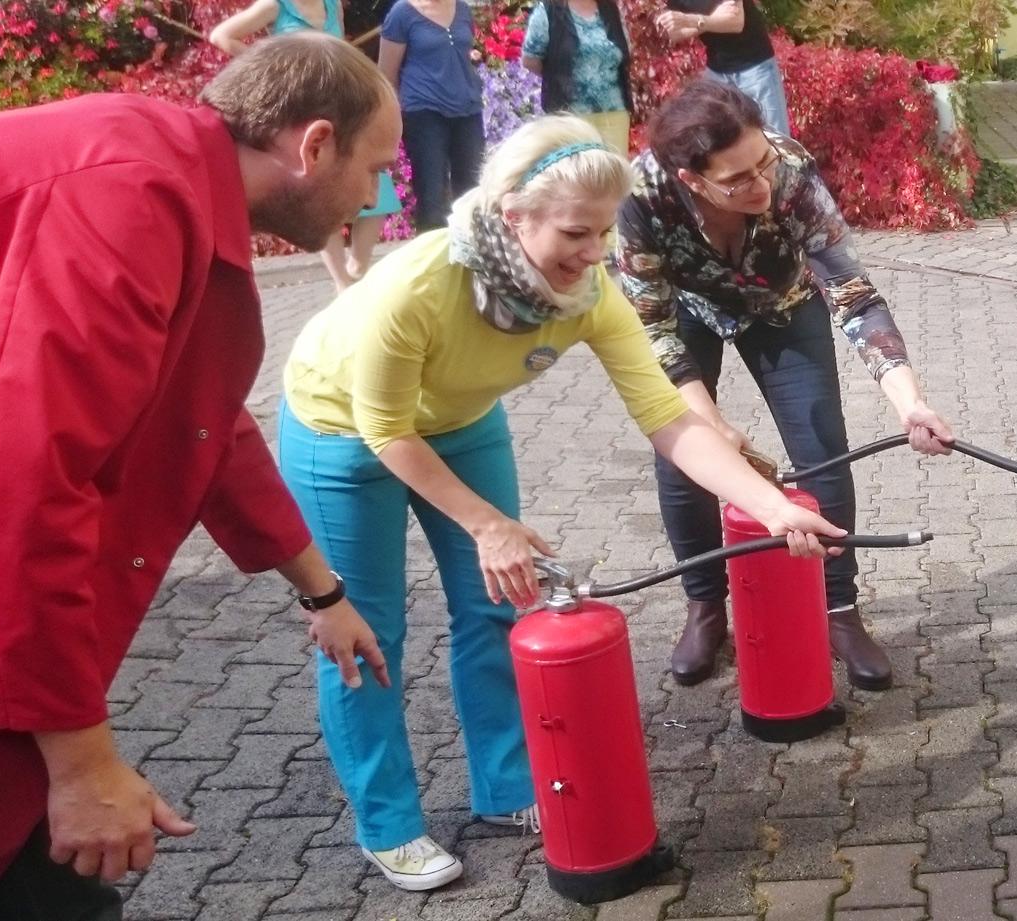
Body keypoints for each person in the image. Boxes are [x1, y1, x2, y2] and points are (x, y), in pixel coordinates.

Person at [279, 115, 843, 891]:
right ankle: (389, 823)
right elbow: (385, 429)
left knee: (495, 608)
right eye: (576, 233)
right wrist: (487, 523)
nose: (593, 253)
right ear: (515, 217)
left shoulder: (586, 293)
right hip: (342, 430)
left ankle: (506, 788)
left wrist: (769, 505)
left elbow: (668, 417)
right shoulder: (418, 286)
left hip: (461, 420)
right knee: (367, 631)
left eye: (604, 232)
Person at [0, 33, 400, 918]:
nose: (375, 196)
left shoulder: (177, 187)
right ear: (313, 144)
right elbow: (22, 489)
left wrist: (321, 592)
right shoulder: (130, 195)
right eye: (374, 167)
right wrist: (83, 763)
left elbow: (203, 422)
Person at [617, 81, 956, 691]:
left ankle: (839, 609)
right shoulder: (643, 195)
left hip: (783, 303)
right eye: (739, 179)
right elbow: (652, 331)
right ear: (692, 179)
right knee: (684, 457)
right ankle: (705, 606)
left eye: (762, 163)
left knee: (821, 443)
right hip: (686, 313)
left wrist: (911, 403)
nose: (761, 184)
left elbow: (853, 294)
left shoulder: (790, 170)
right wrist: (711, 425)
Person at [210, 0, 406, 289]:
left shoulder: (332, 5)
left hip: (341, 109)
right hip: (301, 116)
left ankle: (357, 267)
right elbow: (221, 36)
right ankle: (342, 282)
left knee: (377, 189)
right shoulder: (276, 6)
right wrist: (280, 68)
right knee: (320, 194)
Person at [381, 0, 485, 230]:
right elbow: (386, 75)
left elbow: (462, 57)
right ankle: (432, 261)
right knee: (431, 197)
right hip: (424, 112)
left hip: (467, 110)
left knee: (472, 194)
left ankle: (470, 258)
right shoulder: (402, 13)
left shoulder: (462, 9)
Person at [655, 0, 792, 136]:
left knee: (776, 139)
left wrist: (693, 20)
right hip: (717, 71)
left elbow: (735, 22)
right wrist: (709, 21)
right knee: (721, 138)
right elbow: (676, 33)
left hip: (755, 68)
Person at [520, 0, 637, 155]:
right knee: (576, 176)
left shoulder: (610, 9)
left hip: (614, 115)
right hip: (570, 118)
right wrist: (559, 76)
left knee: (615, 175)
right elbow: (530, 59)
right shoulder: (549, 10)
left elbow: (624, 51)